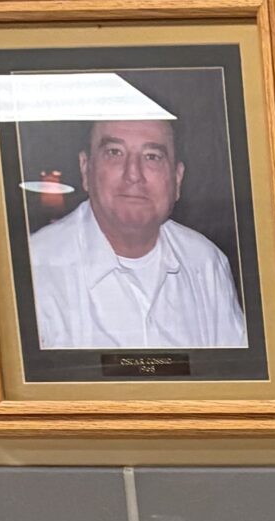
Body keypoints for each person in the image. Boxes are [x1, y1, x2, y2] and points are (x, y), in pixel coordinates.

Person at [30, 117, 247, 352]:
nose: (133, 174)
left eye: (152, 157)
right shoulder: (33, 269)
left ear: (177, 178)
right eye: (115, 153)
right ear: (85, 168)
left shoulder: (206, 263)